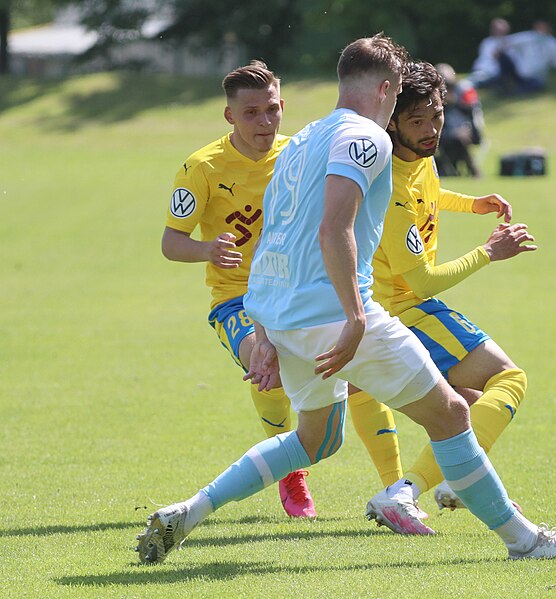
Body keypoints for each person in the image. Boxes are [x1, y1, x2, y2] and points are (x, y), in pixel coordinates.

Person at [135, 34, 556, 565]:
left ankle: (189, 511)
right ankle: (528, 542)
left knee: (316, 441)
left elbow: (273, 239)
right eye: (399, 89)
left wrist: (264, 330)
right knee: (451, 413)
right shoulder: (367, 139)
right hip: (335, 315)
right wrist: (356, 319)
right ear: (386, 88)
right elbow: (334, 230)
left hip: (282, 314)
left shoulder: (303, 140)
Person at [158, 60, 402, 522]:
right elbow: (171, 243)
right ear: (230, 116)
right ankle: (291, 474)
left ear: (283, 107)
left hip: (305, 292)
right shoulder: (202, 167)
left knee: (362, 373)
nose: (264, 123)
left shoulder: (300, 151)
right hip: (240, 299)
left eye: (272, 110)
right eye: (251, 113)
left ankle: (396, 487)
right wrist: (207, 249)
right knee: (263, 367)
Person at [362, 60, 556, 535]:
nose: (432, 129)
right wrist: (488, 253)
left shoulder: (419, 157)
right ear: (392, 121)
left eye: (436, 115)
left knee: (472, 399)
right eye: (418, 121)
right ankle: (406, 491)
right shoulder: (389, 187)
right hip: (405, 309)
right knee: (510, 380)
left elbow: (430, 191)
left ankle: (447, 483)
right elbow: (424, 283)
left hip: (404, 306)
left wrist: (470, 203)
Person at [470, 19, 556, 95]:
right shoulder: (488, 42)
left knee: (537, 84)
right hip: (489, 72)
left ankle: (511, 91)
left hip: (522, 75)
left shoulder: (553, 43)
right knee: (478, 79)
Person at [434, 63, 485, 178]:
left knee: (459, 138)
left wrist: (456, 102)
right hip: (444, 132)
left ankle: (472, 169)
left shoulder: (465, 90)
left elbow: (473, 113)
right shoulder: (434, 94)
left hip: (467, 129)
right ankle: (450, 168)